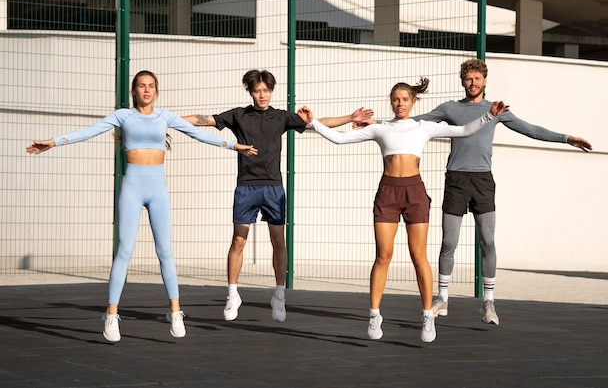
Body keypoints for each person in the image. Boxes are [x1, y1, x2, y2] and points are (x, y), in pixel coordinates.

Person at [26, 70, 257, 342]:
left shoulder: (166, 117)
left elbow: (199, 134)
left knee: (165, 251)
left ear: (156, 90)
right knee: (124, 249)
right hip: (132, 186)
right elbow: (88, 131)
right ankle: (111, 314)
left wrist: (234, 146)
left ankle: (175, 311)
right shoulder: (123, 116)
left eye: (151, 86)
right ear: (134, 90)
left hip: (157, 188)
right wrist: (53, 142)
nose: (146, 90)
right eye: (141, 86)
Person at [297, 78, 509, 342]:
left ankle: (427, 316)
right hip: (388, 192)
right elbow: (339, 139)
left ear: (413, 102)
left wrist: (490, 115)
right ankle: (374, 314)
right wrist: (312, 122)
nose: (400, 104)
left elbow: (465, 130)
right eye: (395, 99)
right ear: (391, 102)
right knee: (383, 256)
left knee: (418, 256)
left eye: (405, 99)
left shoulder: (424, 126)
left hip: (415, 193)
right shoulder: (380, 128)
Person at [402, 58, 592, 325]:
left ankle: (488, 303)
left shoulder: (496, 110)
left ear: (485, 81)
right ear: (462, 81)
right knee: (449, 242)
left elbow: (530, 129)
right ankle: (442, 297)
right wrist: (375, 125)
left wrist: (567, 138)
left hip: (482, 182)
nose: (473, 83)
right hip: (456, 180)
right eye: (468, 79)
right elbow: (411, 122)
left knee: (488, 242)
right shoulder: (450, 108)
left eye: (477, 79)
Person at [184, 69, 372, 323]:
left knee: (278, 241)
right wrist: (165, 119)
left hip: (273, 188)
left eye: (266, 90)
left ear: (271, 91)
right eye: (257, 90)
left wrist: (350, 117)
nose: (262, 95)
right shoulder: (238, 115)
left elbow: (317, 123)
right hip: (246, 187)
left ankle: (279, 295)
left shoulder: (281, 117)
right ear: (250, 92)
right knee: (238, 240)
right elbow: (203, 119)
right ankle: (232, 294)